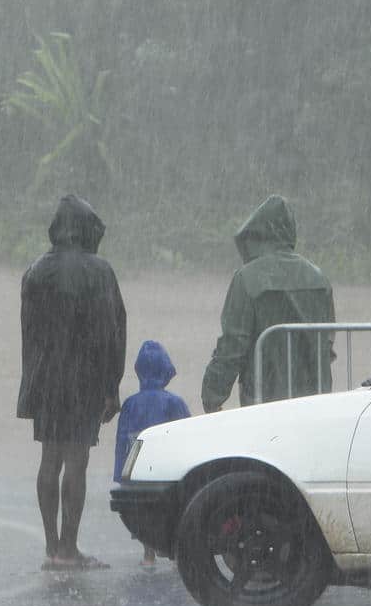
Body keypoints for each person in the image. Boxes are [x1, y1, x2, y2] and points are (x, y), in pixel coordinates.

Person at [17, 195, 127, 571]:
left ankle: (51, 548)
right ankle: (69, 549)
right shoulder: (100, 271)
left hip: (46, 379)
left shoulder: (34, 271)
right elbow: (113, 331)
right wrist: (112, 386)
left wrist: (31, 382)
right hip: (85, 379)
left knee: (49, 458)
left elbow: (28, 335)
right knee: (76, 461)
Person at [201, 195, 335, 413]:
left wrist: (212, 395)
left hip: (262, 401)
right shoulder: (318, 278)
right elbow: (327, 344)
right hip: (313, 402)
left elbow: (233, 345)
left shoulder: (247, 278)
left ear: (254, 237)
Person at [113, 340, 191, 566]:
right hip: (168, 470)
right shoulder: (174, 403)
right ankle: (174, 549)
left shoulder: (130, 404)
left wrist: (121, 472)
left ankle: (148, 552)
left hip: (139, 471)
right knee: (172, 509)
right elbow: (187, 436)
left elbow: (121, 441)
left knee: (144, 512)